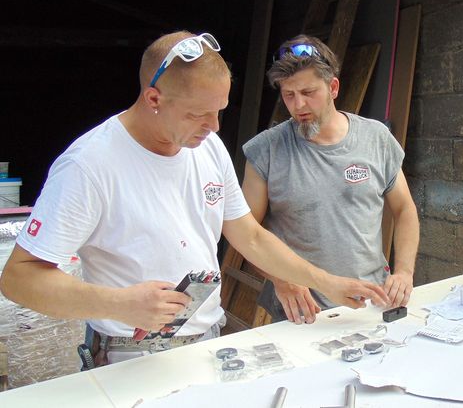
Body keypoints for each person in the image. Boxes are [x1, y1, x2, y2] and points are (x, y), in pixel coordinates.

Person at [0, 31, 389, 365]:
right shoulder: (89, 165)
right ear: (154, 99)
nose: (214, 126)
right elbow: (19, 279)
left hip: (208, 343)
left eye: (219, 111)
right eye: (199, 114)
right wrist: (119, 304)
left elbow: (249, 237)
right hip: (128, 356)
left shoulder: (208, 148)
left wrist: (328, 283)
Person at [241, 35, 419, 324]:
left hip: (372, 303)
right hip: (301, 313)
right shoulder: (266, 151)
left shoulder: (376, 138)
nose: (298, 105)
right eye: (288, 95)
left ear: (333, 87)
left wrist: (404, 272)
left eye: (308, 92)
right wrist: (282, 279)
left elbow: (404, 209)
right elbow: (246, 235)